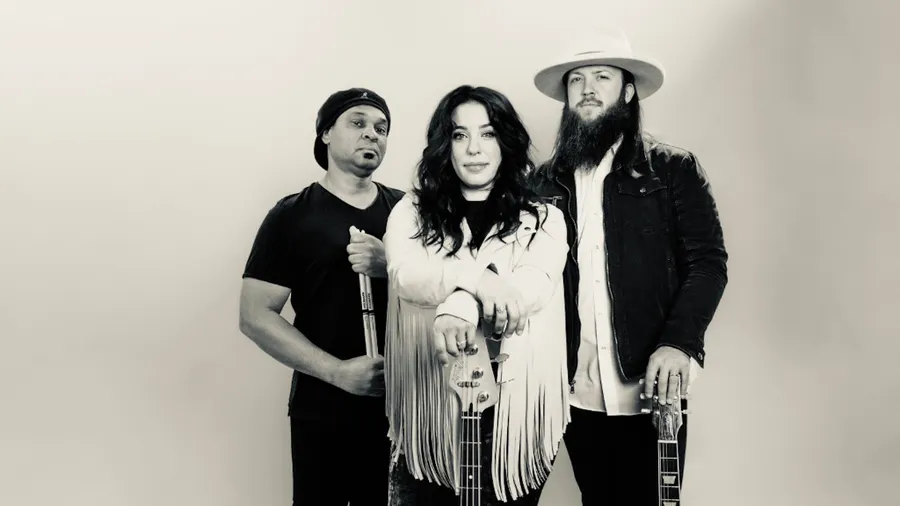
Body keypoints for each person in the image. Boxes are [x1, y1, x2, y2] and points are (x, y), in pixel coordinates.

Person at [530, 28, 729, 505]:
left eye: (602, 76)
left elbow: (708, 264)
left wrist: (679, 343)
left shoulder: (673, 169)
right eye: (576, 80)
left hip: (652, 388)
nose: (588, 89)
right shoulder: (541, 184)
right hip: (572, 394)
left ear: (627, 91)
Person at [382, 85, 571, 506]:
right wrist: (479, 280)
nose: (474, 149)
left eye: (487, 133)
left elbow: (532, 288)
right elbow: (406, 277)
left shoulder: (546, 219)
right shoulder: (410, 211)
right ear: (444, 144)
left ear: (506, 142)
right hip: (429, 417)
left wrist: (460, 303)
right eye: (459, 135)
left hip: (512, 421)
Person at [238, 87, 405, 505]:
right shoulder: (292, 215)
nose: (372, 134)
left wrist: (390, 265)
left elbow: (442, 291)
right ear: (326, 133)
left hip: (403, 410)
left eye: (381, 128)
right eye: (358, 123)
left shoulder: (408, 213)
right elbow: (255, 315)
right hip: (322, 410)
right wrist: (337, 372)